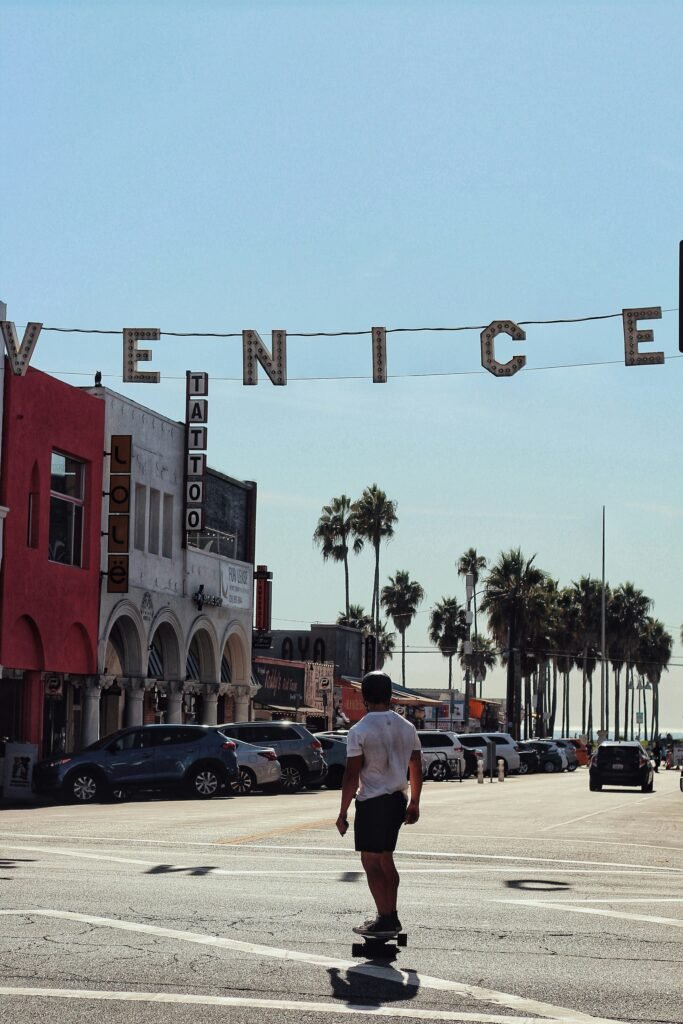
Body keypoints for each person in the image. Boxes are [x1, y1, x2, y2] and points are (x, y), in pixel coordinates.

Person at [335, 670, 423, 937]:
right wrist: (415, 802)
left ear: (364, 697)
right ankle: (390, 915)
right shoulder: (407, 727)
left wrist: (342, 812)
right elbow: (416, 766)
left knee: (371, 861)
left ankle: (385, 918)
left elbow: (352, 774)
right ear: (390, 696)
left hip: (372, 802)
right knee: (386, 858)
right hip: (398, 799)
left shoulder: (359, 730)